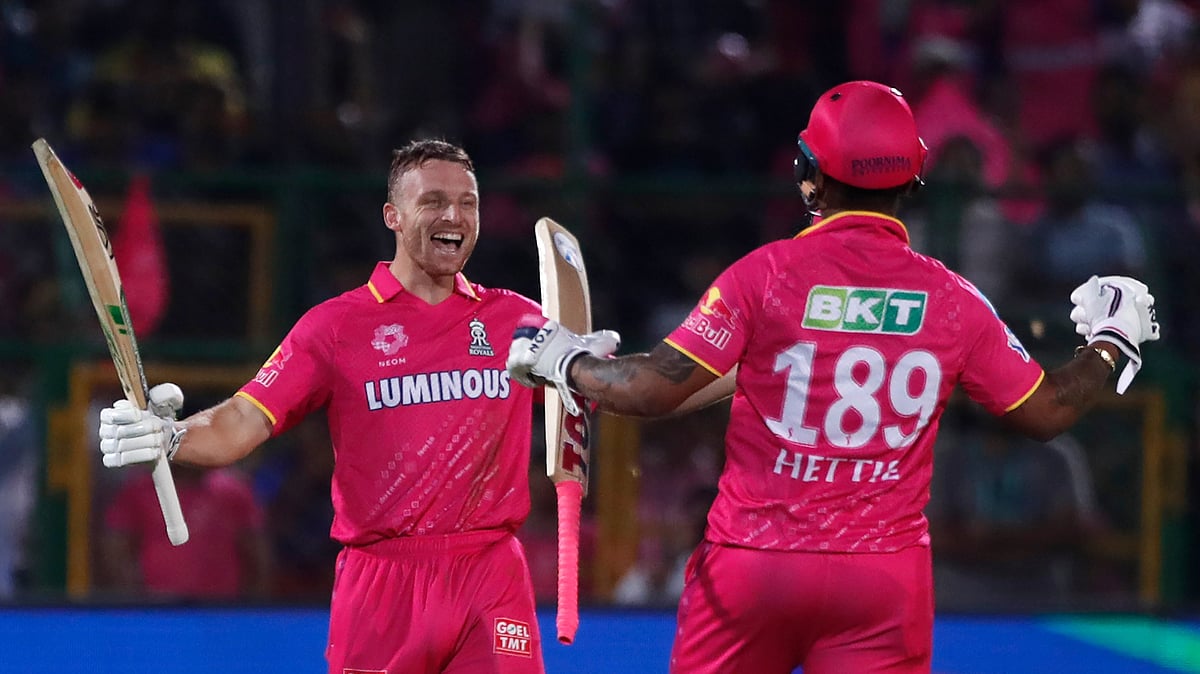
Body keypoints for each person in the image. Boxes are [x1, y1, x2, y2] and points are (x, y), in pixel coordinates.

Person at [506, 81, 1161, 674]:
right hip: (881, 585)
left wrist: (567, 361)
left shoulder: (763, 276)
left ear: (808, 176)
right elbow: (1047, 411)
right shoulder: (954, 298)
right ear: (912, 184)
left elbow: (650, 388)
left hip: (754, 568)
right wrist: (1109, 341)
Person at [96, 139, 595, 673]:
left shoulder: (519, 322)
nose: (454, 215)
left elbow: (592, 400)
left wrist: (603, 371)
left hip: (489, 575)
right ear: (393, 217)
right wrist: (173, 437)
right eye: (432, 201)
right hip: (381, 582)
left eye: (468, 202)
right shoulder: (335, 327)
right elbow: (243, 417)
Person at [99, 463, 272, 601]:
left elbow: (257, 555)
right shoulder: (138, 490)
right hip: (157, 611)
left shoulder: (233, 491)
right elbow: (115, 551)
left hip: (221, 611)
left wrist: (250, 609)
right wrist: (136, 601)